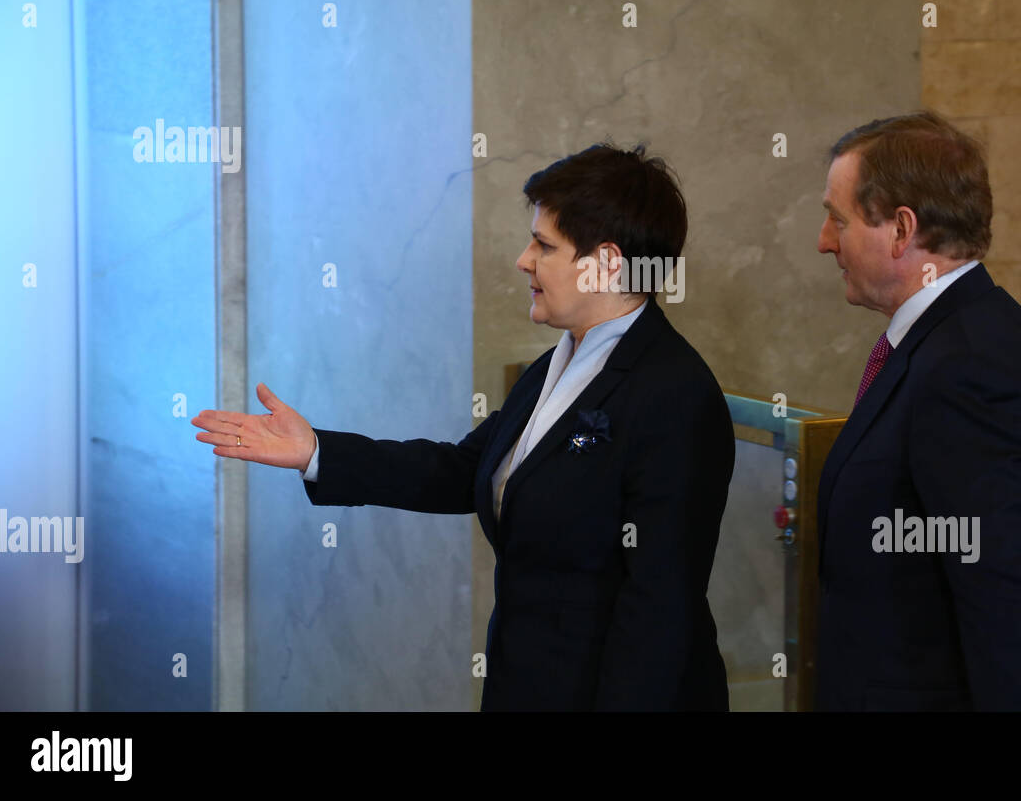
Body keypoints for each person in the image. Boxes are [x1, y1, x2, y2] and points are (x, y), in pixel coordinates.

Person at [192, 143, 734, 711]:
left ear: (607, 263)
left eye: (544, 245)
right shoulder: (561, 360)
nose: (524, 260)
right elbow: (466, 469)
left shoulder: (675, 394)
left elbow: (659, 611)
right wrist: (317, 452)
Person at [813, 110, 1021, 711]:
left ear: (901, 230)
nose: (824, 240)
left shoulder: (966, 367)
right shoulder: (955, 337)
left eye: (837, 219)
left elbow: (1013, 608)